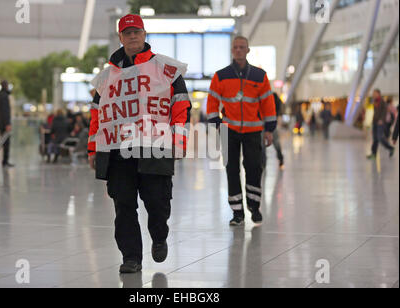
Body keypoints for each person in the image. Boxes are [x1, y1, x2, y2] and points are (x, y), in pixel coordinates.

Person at [87, 14, 191, 274]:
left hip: (155, 145)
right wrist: (93, 149)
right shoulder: (106, 77)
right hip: (117, 150)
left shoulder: (166, 69)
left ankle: (159, 236)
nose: (133, 36)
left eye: (137, 32)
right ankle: (131, 257)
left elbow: (181, 108)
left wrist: (179, 141)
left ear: (144, 35)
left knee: (157, 201)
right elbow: (97, 116)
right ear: (120, 37)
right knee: (123, 205)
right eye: (127, 32)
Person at [207, 36, 277, 226]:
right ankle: (237, 212)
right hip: (228, 130)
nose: (238, 50)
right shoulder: (220, 76)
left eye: (242, 47)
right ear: (232, 50)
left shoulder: (259, 76)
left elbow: (268, 104)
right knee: (231, 169)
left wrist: (270, 129)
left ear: (248, 50)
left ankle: (254, 207)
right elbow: (212, 101)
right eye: (235, 47)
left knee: (254, 168)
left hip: (253, 131)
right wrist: (215, 124)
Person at [367, 89, 395, 159]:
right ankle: (374, 154)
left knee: (380, 137)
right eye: (373, 93)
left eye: (375, 93)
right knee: (375, 138)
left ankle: (391, 148)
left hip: (381, 122)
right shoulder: (374, 101)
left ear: (378, 94)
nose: (373, 94)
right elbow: (373, 108)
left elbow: (384, 111)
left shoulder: (382, 101)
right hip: (375, 122)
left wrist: (382, 120)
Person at [0, 80, 13, 167]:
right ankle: (5, 161)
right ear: (6, 86)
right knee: (6, 143)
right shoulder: (4, 96)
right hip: (4, 124)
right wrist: (7, 123)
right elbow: (5, 111)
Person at [262, 93, 284, 169]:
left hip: (268, 123)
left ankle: (280, 158)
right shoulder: (271, 95)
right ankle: (264, 162)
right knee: (265, 145)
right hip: (266, 123)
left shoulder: (272, 96)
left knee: (274, 143)